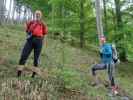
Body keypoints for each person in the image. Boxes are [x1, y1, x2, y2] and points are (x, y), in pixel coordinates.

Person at [17, 10, 48, 78]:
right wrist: (28, 35)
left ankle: (33, 75)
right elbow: (26, 29)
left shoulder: (43, 24)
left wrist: (42, 42)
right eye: (36, 14)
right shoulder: (31, 22)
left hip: (39, 41)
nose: (37, 15)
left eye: (39, 14)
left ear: (41, 16)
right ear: (35, 15)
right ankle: (19, 73)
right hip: (30, 40)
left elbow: (45, 34)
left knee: (36, 59)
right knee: (23, 56)